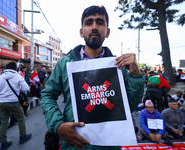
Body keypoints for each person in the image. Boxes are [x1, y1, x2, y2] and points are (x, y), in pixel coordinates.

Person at [41, 5, 145, 150]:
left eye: (100, 22)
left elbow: (129, 105)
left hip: (109, 144)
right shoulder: (64, 64)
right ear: (81, 31)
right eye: (89, 23)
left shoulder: (118, 66)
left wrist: (135, 75)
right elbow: (47, 96)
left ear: (107, 32)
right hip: (74, 144)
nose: (94, 27)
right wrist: (57, 125)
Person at [0, 62, 32, 150]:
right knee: (21, 118)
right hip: (14, 102)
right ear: (15, 69)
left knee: (4, 123)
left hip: (2, 103)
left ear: (6, 68)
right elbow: (26, 88)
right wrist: (18, 89)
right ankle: (22, 136)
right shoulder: (18, 77)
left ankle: (3, 143)